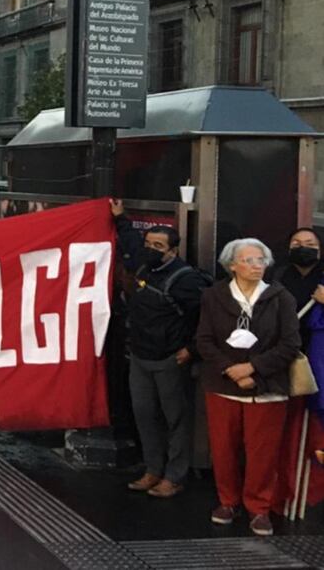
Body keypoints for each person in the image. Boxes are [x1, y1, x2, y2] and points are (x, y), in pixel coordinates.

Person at [195, 238, 300, 536]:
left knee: (263, 452)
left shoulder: (281, 298)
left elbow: (290, 344)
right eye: (249, 260)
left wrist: (253, 368)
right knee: (223, 448)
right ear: (232, 265)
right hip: (223, 384)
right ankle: (227, 501)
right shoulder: (214, 296)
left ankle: (259, 508)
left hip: (267, 388)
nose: (257, 266)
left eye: (261, 260)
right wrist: (232, 370)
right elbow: (204, 340)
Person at [111, 201, 207, 498]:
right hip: (140, 355)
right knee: (144, 415)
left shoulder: (186, 280)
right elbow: (128, 242)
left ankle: (174, 476)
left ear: (173, 251)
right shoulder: (143, 263)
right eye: (149, 243)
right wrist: (120, 217)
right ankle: (153, 469)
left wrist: (191, 349)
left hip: (169, 358)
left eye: (158, 245)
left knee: (175, 419)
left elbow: (206, 318)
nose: (151, 249)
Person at [268, 227, 324, 347]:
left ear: (320, 250)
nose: (303, 248)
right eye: (296, 244)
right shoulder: (278, 276)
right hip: (285, 344)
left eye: (310, 244)